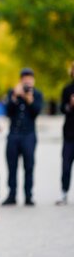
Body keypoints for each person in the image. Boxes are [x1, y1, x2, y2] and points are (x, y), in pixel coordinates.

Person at [2, 68, 43, 206]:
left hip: (29, 135)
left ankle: (28, 195)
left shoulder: (36, 94)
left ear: (33, 80)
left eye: (29, 78)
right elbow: (7, 111)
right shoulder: (13, 93)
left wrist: (30, 100)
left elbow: (37, 112)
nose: (27, 81)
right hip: (13, 134)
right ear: (20, 80)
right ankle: (12, 194)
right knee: (12, 165)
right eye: (24, 78)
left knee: (29, 166)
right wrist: (14, 97)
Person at [56, 62, 74, 205]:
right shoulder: (67, 89)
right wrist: (70, 105)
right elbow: (62, 108)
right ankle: (64, 191)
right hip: (69, 134)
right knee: (66, 165)